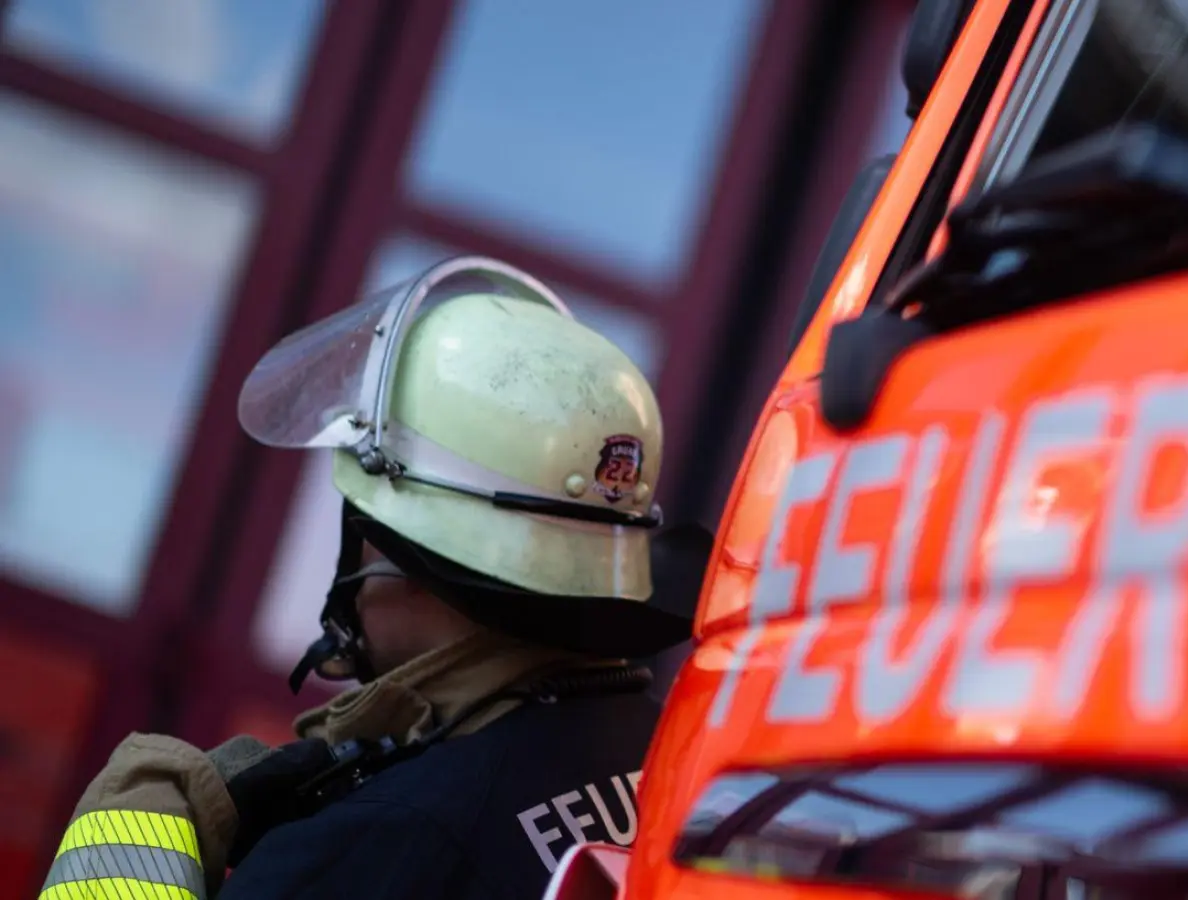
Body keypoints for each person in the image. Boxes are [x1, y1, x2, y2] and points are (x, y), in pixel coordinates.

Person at [39, 256, 710, 899]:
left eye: (359, 529)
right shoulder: (669, 756)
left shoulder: (384, 839)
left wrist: (136, 817)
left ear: (404, 558)